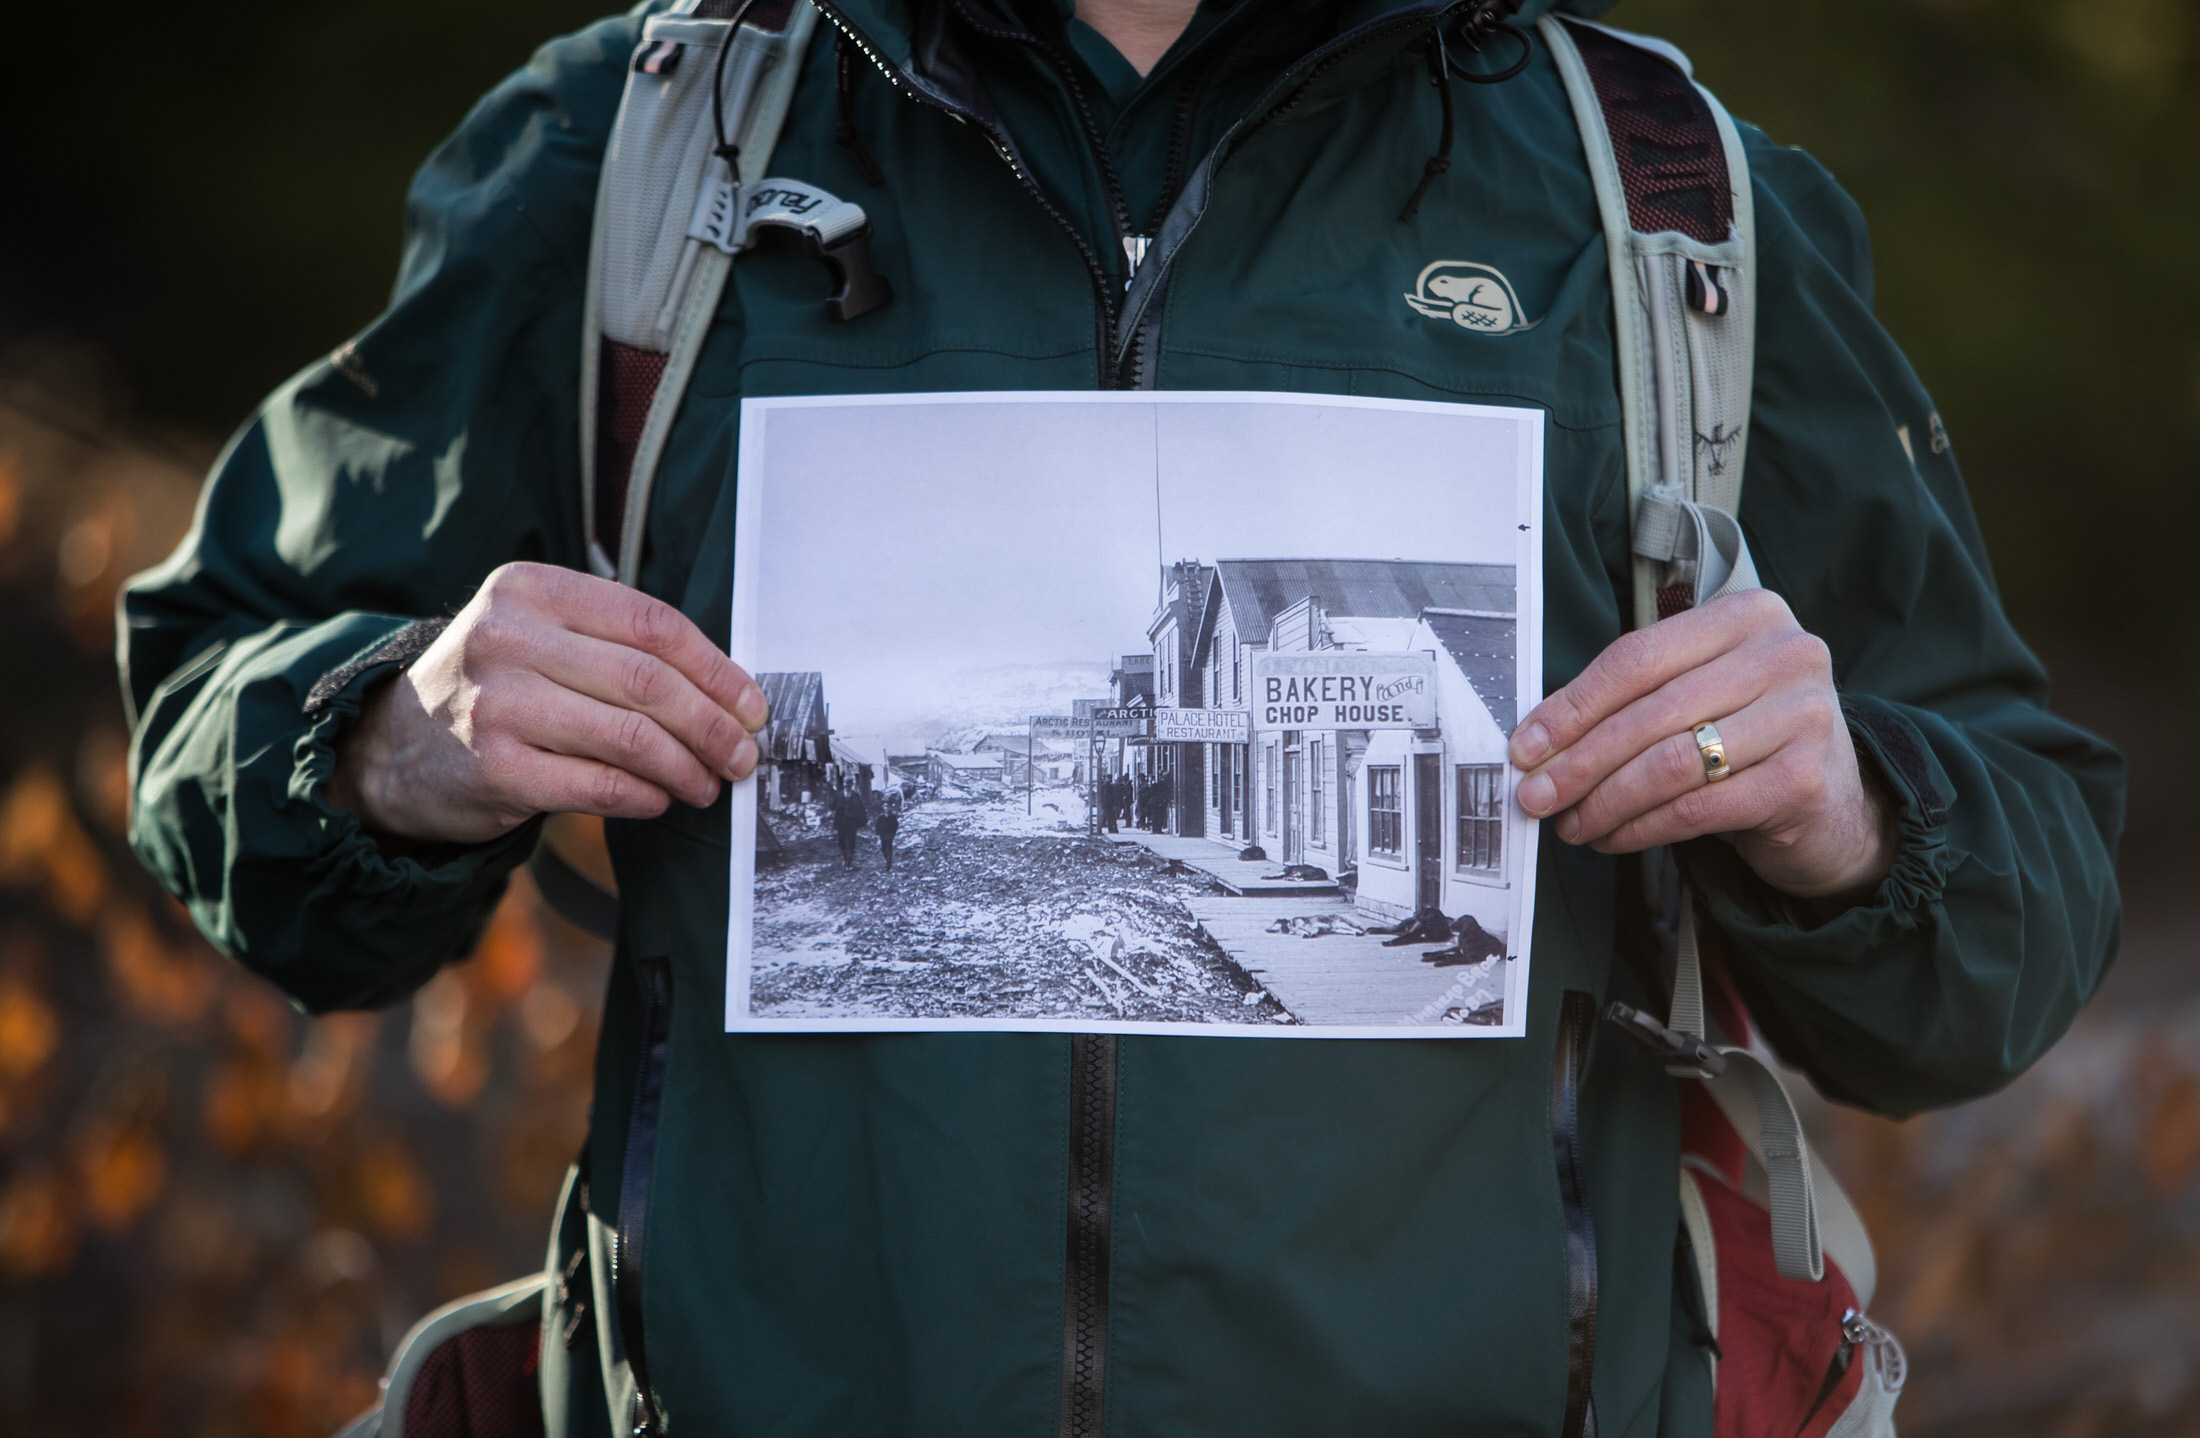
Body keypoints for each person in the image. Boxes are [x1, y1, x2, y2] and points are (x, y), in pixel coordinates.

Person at [118, 0, 2122, 1433]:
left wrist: (1847, 811)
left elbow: (1999, 939)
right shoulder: (631, 153)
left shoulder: (1664, 208)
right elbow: (218, 739)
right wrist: (385, 727)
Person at [831, 783, 868, 869]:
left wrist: (863, 821)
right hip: (841, 823)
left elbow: (861, 808)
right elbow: (831, 806)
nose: (847, 787)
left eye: (848, 786)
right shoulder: (838, 795)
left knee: (851, 842)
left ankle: (849, 862)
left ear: (851, 786)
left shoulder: (855, 796)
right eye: (845, 786)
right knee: (841, 842)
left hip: (852, 823)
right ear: (843, 786)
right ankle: (844, 857)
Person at [877, 787, 902, 871]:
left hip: (890, 835)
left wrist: (893, 833)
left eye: (887, 807)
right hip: (883, 836)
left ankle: (888, 865)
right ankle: (887, 860)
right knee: (883, 849)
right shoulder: (881, 817)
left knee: (889, 849)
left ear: (890, 808)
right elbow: (878, 826)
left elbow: (896, 825)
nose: (886, 808)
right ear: (883, 808)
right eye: (885, 807)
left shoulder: (892, 817)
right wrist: (878, 835)